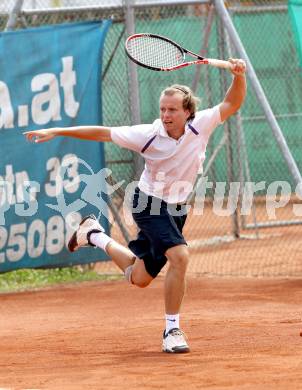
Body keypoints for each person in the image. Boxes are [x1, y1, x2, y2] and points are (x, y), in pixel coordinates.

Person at [24, 58, 246, 353]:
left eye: (172, 110)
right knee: (180, 256)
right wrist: (58, 131)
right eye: (163, 109)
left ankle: (93, 235)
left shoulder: (201, 125)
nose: (166, 115)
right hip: (148, 203)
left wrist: (239, 76)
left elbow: (232, 103)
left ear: (187, 112)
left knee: (139, 278)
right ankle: (172, 331)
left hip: (177, 208)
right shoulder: (148, 134)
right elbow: (103, 132)